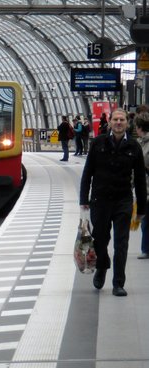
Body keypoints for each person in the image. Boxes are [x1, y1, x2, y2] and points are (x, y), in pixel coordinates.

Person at [80, 109, 147, 296]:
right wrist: (83, 199)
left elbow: (140, 180)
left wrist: (141, 208)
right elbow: (88, 172)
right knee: (100, 240)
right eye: (115, 119)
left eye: (122, 119)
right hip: (100, 200)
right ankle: (102, 267)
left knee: (121, 243)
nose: (118, 122)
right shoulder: (98, 143)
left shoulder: (134, 147)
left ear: (127, 123)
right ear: (109, 122)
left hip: (122, 200)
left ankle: (118, 283)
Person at [135, 112, 149, 259]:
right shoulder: (139, 143)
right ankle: (145, 248)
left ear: (139, 127)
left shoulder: (142, 144)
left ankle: (146, 249)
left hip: (146, 187)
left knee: (146, 219)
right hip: (145, 187)